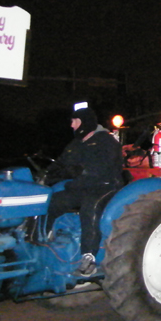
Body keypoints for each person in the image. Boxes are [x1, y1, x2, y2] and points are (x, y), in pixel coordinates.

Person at [45, 107, 124, 276]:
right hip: (81, 187)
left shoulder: (106, 142)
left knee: (90, 207)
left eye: (75, 121)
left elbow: (100, 169)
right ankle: (43, 238)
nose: (72, 126)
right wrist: (47, 174)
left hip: (106, 186)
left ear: (84, 123)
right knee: (52, 201)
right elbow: (61, 163)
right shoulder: (75, 144)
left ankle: (89, 257)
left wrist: (78, 172)